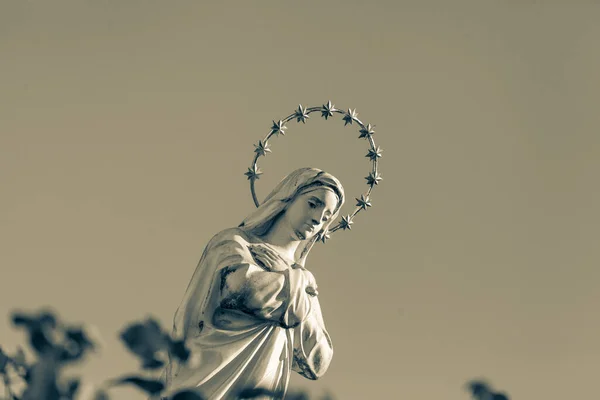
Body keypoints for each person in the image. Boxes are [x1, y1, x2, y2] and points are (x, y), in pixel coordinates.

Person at [159, 167, 345, 400]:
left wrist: (290, 279)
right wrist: (296, 289)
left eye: (327, 216)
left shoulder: (302, 278)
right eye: (313, 204)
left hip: (261, 385)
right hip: (208, 375)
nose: (318, 218)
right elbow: (243, 290)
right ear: (288, 198)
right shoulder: (235, 242)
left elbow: (318, 360)